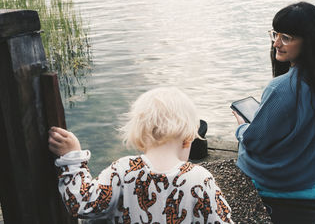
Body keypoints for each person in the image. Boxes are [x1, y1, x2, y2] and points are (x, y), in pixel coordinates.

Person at [49, 87, 233, 223]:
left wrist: (73, 158)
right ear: (188, 139)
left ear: (140, 137)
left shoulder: (122, 170)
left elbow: (84, 204)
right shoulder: (201, 179)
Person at [232, 2, 315, 200]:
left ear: (309, 41)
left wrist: (242, 128)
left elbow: (254, 142)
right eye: (275, 34)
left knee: (244, 144)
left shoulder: (281, 88)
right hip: (310, 174)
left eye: (286, 38)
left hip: (278, 179)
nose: (276, 43)